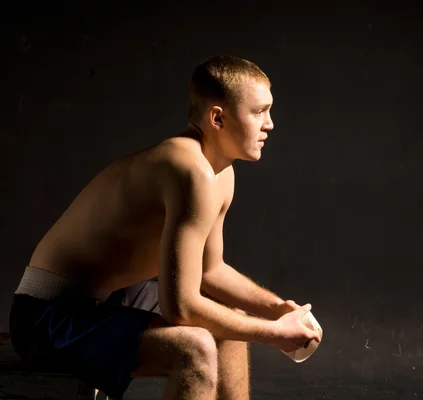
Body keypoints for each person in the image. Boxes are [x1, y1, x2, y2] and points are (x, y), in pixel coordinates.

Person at [9, 55, 322, 400]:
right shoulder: (187, 168)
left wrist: (278, 309)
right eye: (259, 111)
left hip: (108, 299)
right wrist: (274, 333)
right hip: (46, 315)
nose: (270, 124)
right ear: (217, 117)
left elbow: (210, 271)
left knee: (228, 322)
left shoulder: (220, 173)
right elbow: (182, 308)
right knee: (195, 348)